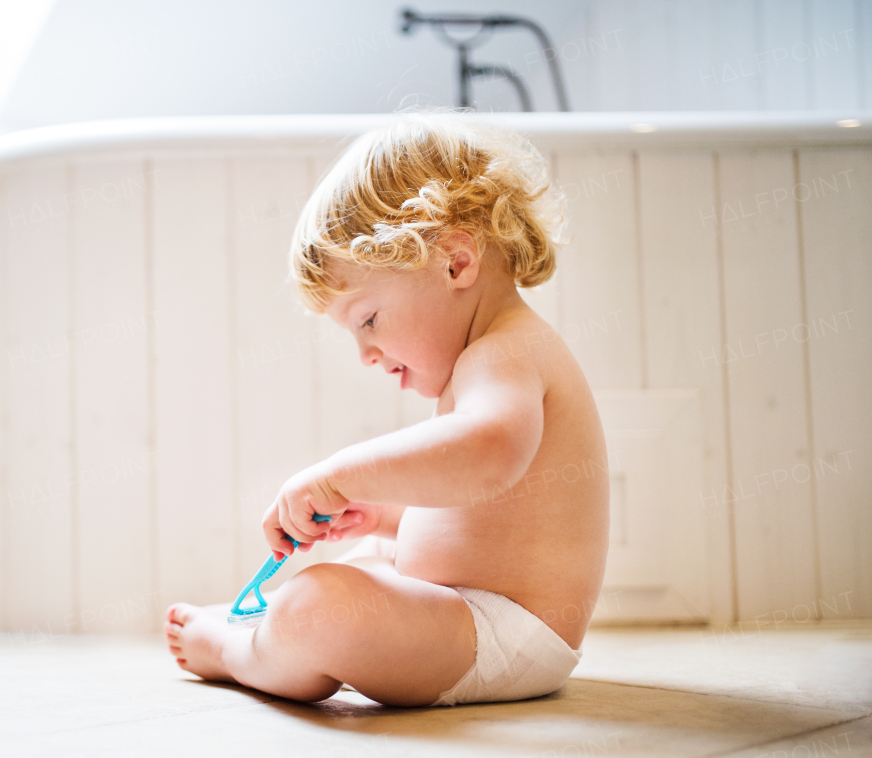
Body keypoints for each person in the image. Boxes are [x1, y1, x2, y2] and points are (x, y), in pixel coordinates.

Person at [165, 110, 610, 707]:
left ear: (455, 262)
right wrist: (382, 516)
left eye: (369, 320)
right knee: (371, 560)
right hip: (477, 617)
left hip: (503, 634)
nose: (366, 354)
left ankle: (239, 651)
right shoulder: (490, 354)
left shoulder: (505, 353)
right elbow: (481, 523)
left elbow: (487, 455)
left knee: (318, 603)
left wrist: (338, 475)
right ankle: (276, 630)